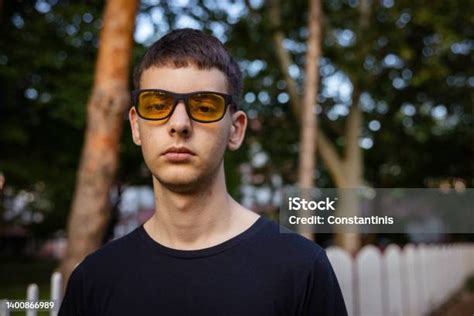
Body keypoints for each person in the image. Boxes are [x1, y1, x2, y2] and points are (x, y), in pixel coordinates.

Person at [59, 28, 347, 316]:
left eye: (205, 106)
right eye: (157, 105)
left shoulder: (302, 267)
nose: (179, 124)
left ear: (236, 130)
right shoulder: (94, 280)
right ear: (136, 126)